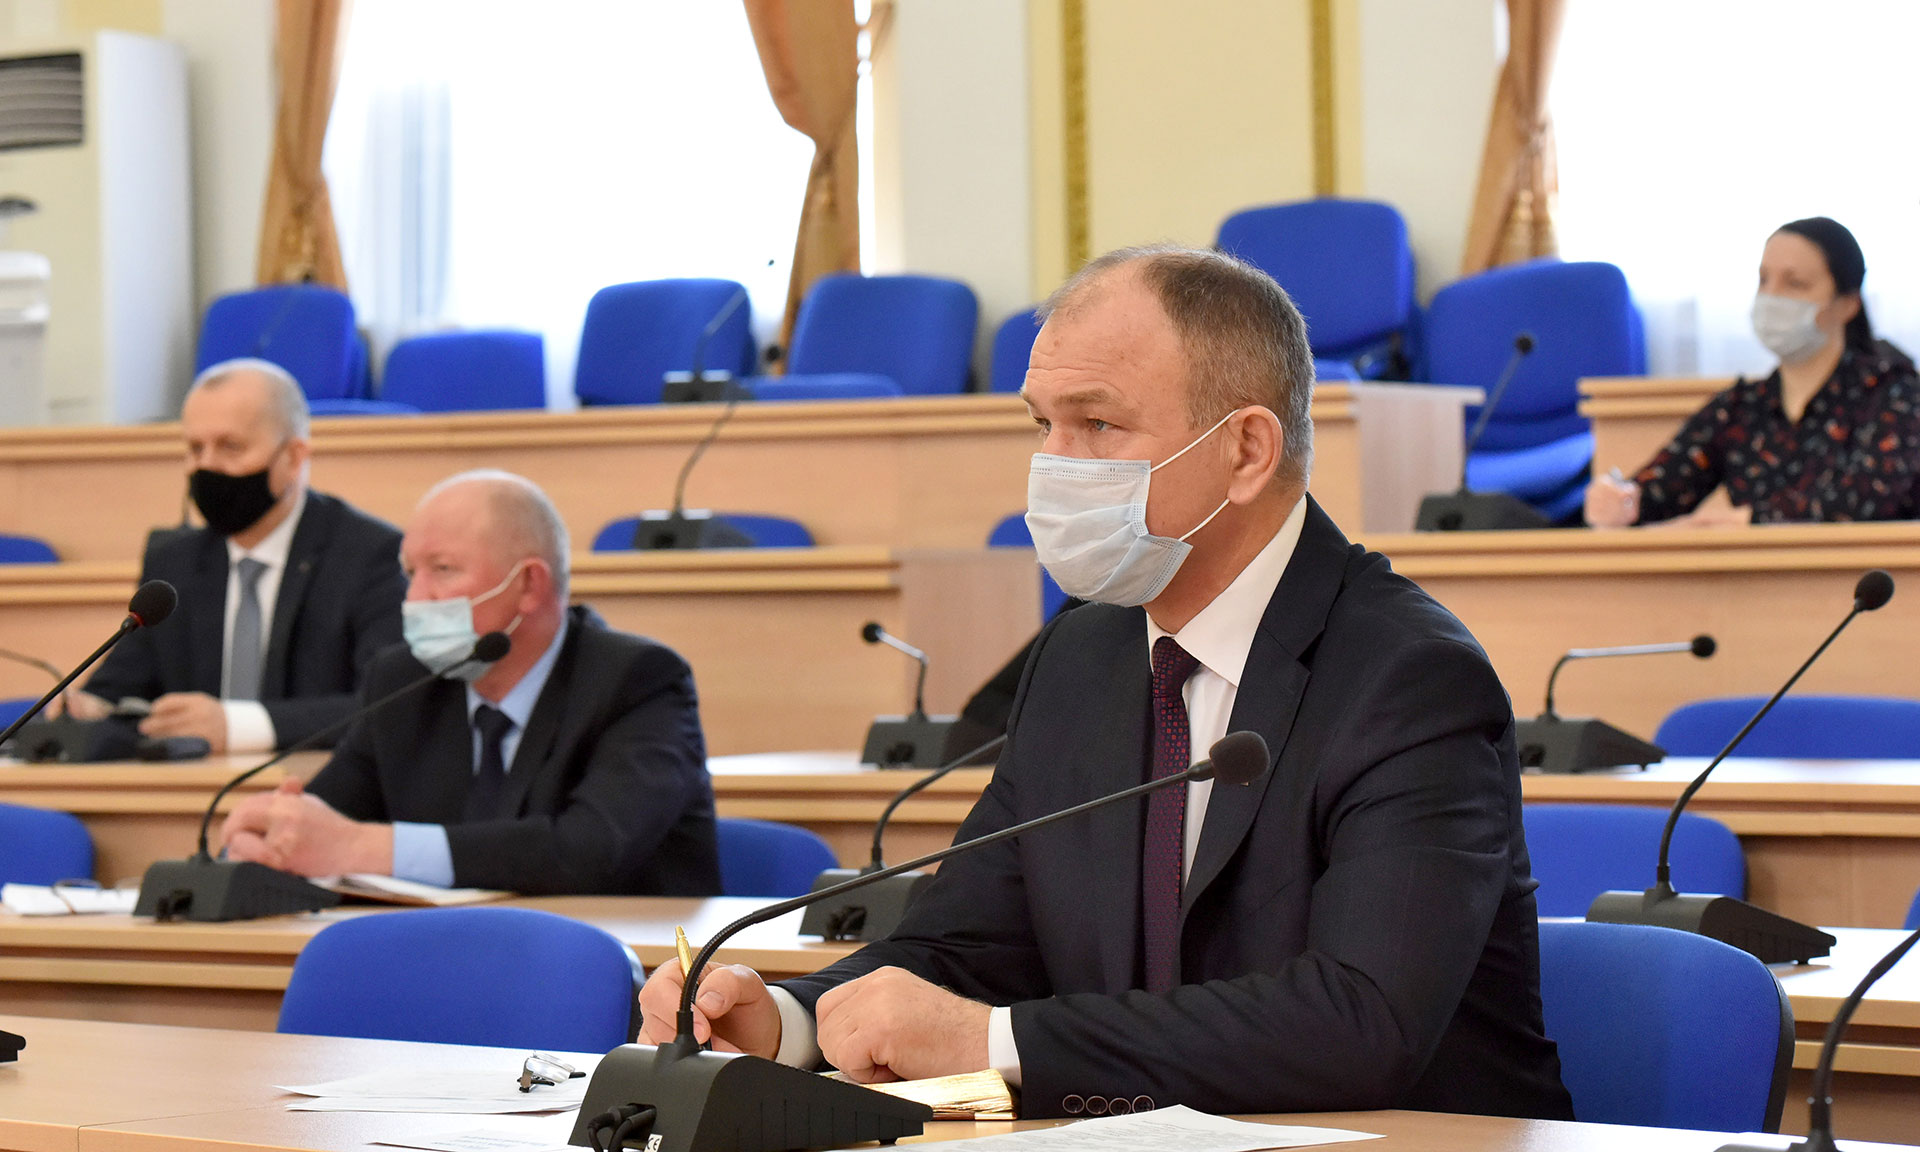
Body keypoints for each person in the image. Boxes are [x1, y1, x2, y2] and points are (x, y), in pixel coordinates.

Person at [639, 246, 1573, 1119]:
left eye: (1096, 423)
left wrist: (991, 1042)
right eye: (1042, 424)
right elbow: (970, 943)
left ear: (1248, 450)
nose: (1055, 466)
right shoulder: (1081, 656)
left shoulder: (1409, 677)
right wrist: (789, 1022)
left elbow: (1362, 1021)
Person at [220, 469, 721, 896]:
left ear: (529, 584)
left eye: (442, 570)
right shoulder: (403, 682)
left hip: (631, 966)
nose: (415, 598)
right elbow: (327, 816)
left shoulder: (639, 682)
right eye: (410, 572)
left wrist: (363, 846)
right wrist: (271, 837)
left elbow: (588, 848)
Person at [76, 359, 405, 753]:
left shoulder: (368, 555)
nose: (207, 466)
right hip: (190, 785)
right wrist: (87, 709)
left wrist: (236, 725)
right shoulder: (174, 563)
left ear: (293, 457)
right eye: (195, 448)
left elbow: (386, 704)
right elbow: (117, 692)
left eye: (230, 447)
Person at [1588, 217, 1920, 528]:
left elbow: (1868, 500)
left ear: (1847, 304)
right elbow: (1659, 489)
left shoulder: (1894, 394)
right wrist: (1621, 499)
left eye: (1795, 283)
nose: (1772, 296)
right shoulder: (1741, 407)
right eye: (1764, 280)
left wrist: (1746, 521)